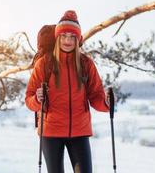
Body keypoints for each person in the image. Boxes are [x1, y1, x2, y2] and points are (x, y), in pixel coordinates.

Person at [25, 10, 110, 173]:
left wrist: (107, 103)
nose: (68, 41)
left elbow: (96, 96)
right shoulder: (44, 64)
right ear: (58, 38)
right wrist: (37, 98)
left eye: (72, 37)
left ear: (78, 40)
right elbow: (29, 99)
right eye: (64, 36)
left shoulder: (86, 64)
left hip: (79, 131)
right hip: (51, 131)